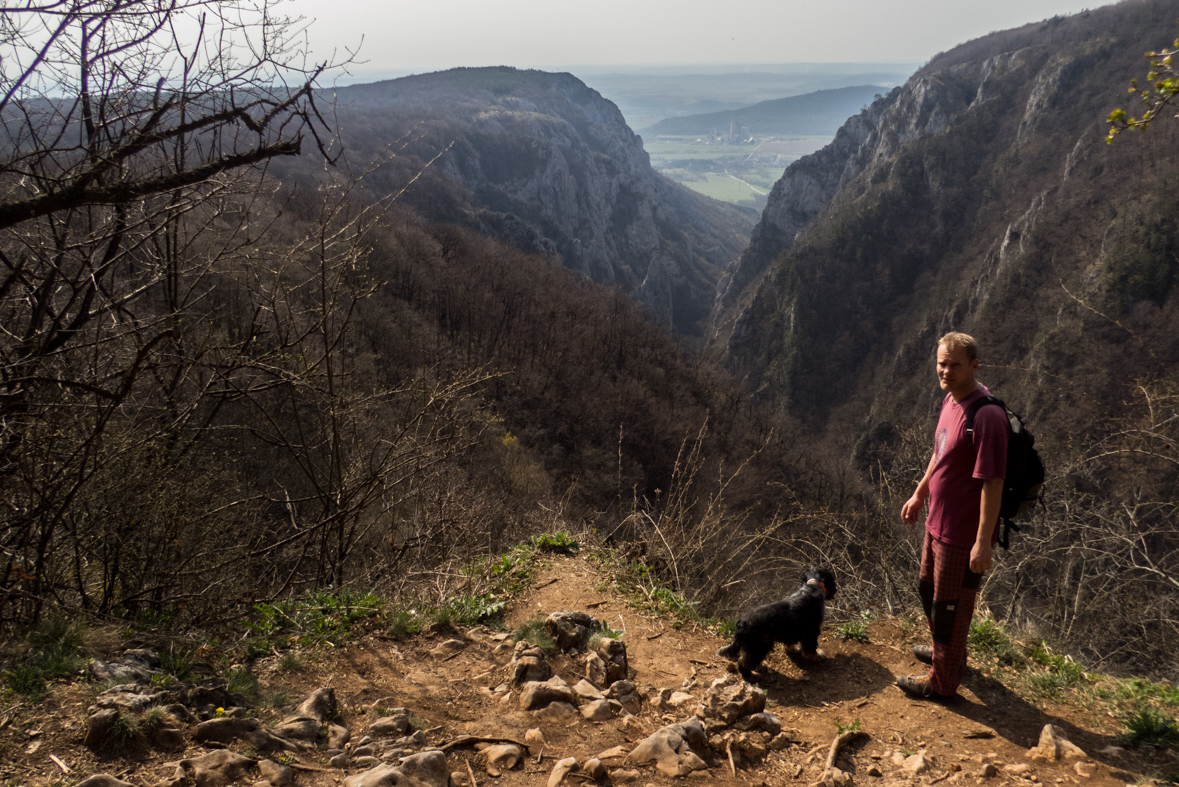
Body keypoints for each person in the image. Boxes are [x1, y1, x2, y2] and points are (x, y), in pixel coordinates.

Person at [898, 332, 1008, 699]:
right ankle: (948, 653)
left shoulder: (986, 415)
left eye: (954, 364)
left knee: (950, 608)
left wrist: (982, 542)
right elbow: (940, 453)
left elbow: (993, 482)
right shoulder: (951, 401)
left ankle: (942, 682)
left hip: (962, 535)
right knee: (928, 592)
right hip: (937, 523)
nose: (945, 370)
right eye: (942, 363)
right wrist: (919, 493)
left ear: (974, 366)